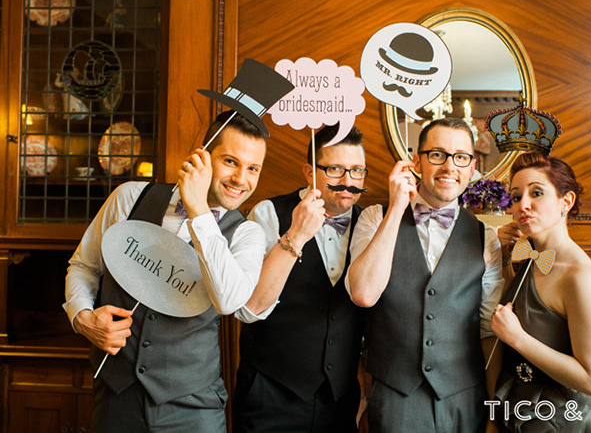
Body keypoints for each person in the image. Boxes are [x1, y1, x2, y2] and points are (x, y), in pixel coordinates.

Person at [63, 110, 268, 433]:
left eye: (253, 168)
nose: (241, 179)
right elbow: (84, 266)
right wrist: (82, 317)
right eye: (230, 161)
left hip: (193, 407)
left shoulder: (248, 234)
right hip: (117, 396)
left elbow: (229, 301)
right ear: (203, 155)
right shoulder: (129, 197)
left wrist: (199, 209)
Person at [346, 117, 505, 432]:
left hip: (464, 399)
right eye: (437, 155)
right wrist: (395, 209)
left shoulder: (486, 236)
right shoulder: (374, 217)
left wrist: (492, 408)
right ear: (417, 160)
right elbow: (363, 293)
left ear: (472, 167)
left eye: (460, 157)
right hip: (394, 399)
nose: (450, 166)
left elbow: (489, 332)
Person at [233, 124, 368, 433]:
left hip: (340, 400)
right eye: (335, 169)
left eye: (357, 171)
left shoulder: (370, 223)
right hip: (269, 396)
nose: (348, 182)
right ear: (310, 172)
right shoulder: (269, 213)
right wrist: (296, 234)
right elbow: (250, 308)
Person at [491, 151, 591, 431]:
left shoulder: (577, 274)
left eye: (536, 193)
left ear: (566, 201)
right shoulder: (531, 257)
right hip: (522, 413)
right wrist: (502, 254)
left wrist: (516, 338)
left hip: (563, 422)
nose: (523, 204)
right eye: (515, 196)